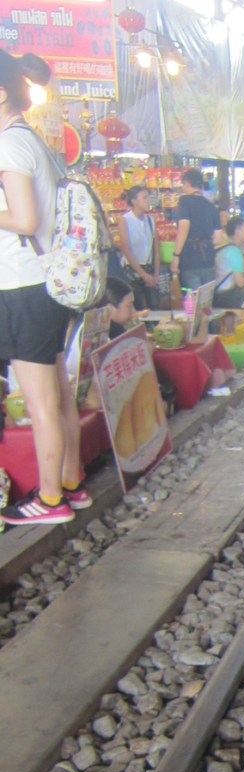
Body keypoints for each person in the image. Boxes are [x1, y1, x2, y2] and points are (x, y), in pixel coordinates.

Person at [0, 50, 91, 526]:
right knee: (57, 392)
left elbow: (24, 219)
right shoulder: (32, 140)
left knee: (41, 403)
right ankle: (72, 482)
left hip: (22, 286)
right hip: (46, 284)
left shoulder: (8, 146)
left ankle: (51, 498)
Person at [171, 168, 220, 291]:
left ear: (187, 184)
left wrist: (176, 255)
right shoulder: (211, 206)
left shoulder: (184, 201)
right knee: (206, 299)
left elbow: (184, 227)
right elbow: (218, 238)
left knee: (192, 298)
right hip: (208, 260)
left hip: (189, 259)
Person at [116, 185, 161, 312]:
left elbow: (156, 250)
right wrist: (143, 275)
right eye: (144, 197)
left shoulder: (151, 220)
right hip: (133, 272)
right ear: (134, 201)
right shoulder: (125, 220)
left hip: (149, 270)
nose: (148, 201)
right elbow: (126, 249)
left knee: (155, 307)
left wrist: (156, 273)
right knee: (137, 308)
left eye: (148, 197)